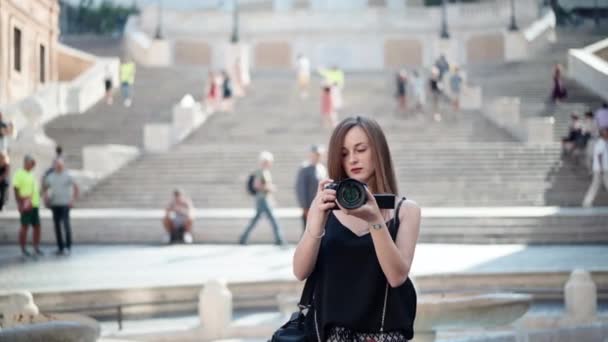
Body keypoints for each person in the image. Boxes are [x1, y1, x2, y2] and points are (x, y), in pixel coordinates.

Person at [293, 116, 421, 341]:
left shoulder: (405, 210)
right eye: (344, 153)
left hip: (383, 335)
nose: (352, 159)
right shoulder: (327, 208)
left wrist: (375, 220)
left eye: (360, 149)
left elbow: (397, 276)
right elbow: (300, 271)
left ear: (378, 151)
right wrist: (316, 220)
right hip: (330, 336)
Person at [239, 151, 285, 245]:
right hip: (262, 199)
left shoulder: (265, 172)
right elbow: (257, 185)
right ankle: (280, 240)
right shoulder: (260, 172)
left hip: (265, 199)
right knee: (273, 219)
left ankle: (243, 238)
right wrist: (269, 187)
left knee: (257, 220)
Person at [43, 159, 79, 255]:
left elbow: (76, 187)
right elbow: (45, 188)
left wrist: (73, 200)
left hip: (65, 204)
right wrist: (46, 198)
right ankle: (60, 247)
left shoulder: (67, 175)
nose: (58, 166)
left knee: (66, 225)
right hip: (54, 204)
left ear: (63, 165)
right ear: (54, 166)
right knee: (57, 226)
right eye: (56, 165)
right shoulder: (50, 176)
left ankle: (68, 246)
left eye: (60, 165)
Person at [13, 155, 43, 257]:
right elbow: (16, 190)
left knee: (37, 226)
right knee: (24, 227)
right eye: (31, 163)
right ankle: (23, 249)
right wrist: (19, 204)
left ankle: (36, 247)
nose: (33, 165)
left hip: (34, 204)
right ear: (26, 163)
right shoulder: (19, 174)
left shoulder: (32, 174)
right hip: (25, 205)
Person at [295, 144, 327, 231]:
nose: (317, 156)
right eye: (316, 154)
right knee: (308, 231)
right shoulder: (305, 169)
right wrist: (305, 206)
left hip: (320, 205)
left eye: (319, 155)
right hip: (309, 206)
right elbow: (301, 189)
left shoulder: (322, 168)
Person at [582, 128, 608, 207]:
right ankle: (586, 202)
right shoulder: (601, 142)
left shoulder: (604, 142)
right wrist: (601, 168)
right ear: (603, 134)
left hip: (602, 168)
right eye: (606, 132)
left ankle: (587, 202)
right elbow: (599, 156)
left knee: (595, 186)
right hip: (602, 169)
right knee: (596, 185)